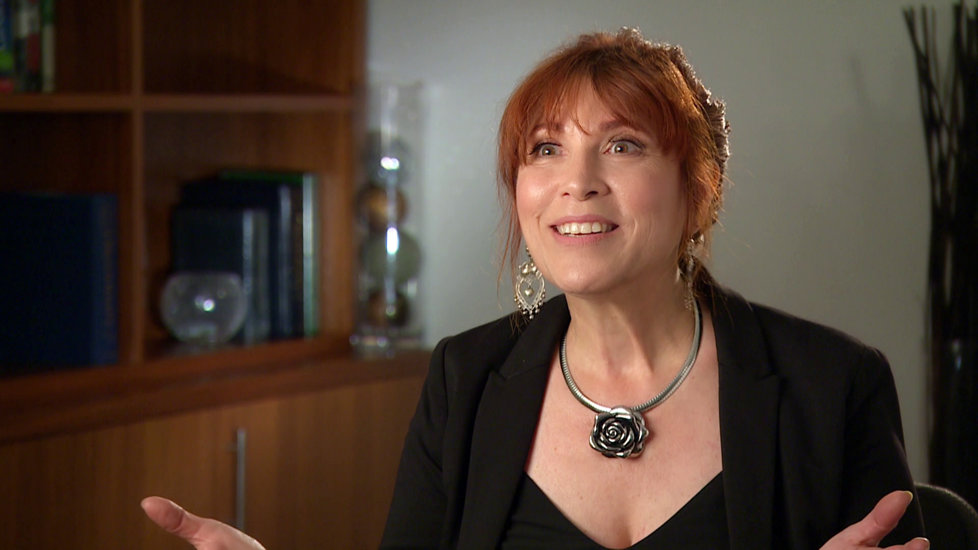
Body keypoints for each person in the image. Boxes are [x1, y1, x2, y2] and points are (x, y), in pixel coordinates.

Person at [143, 29, 929, 549]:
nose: (575, 182)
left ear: (698, 191)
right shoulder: (465, 379)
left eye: (622, 145)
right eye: (546, 149)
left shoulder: (834, 385)